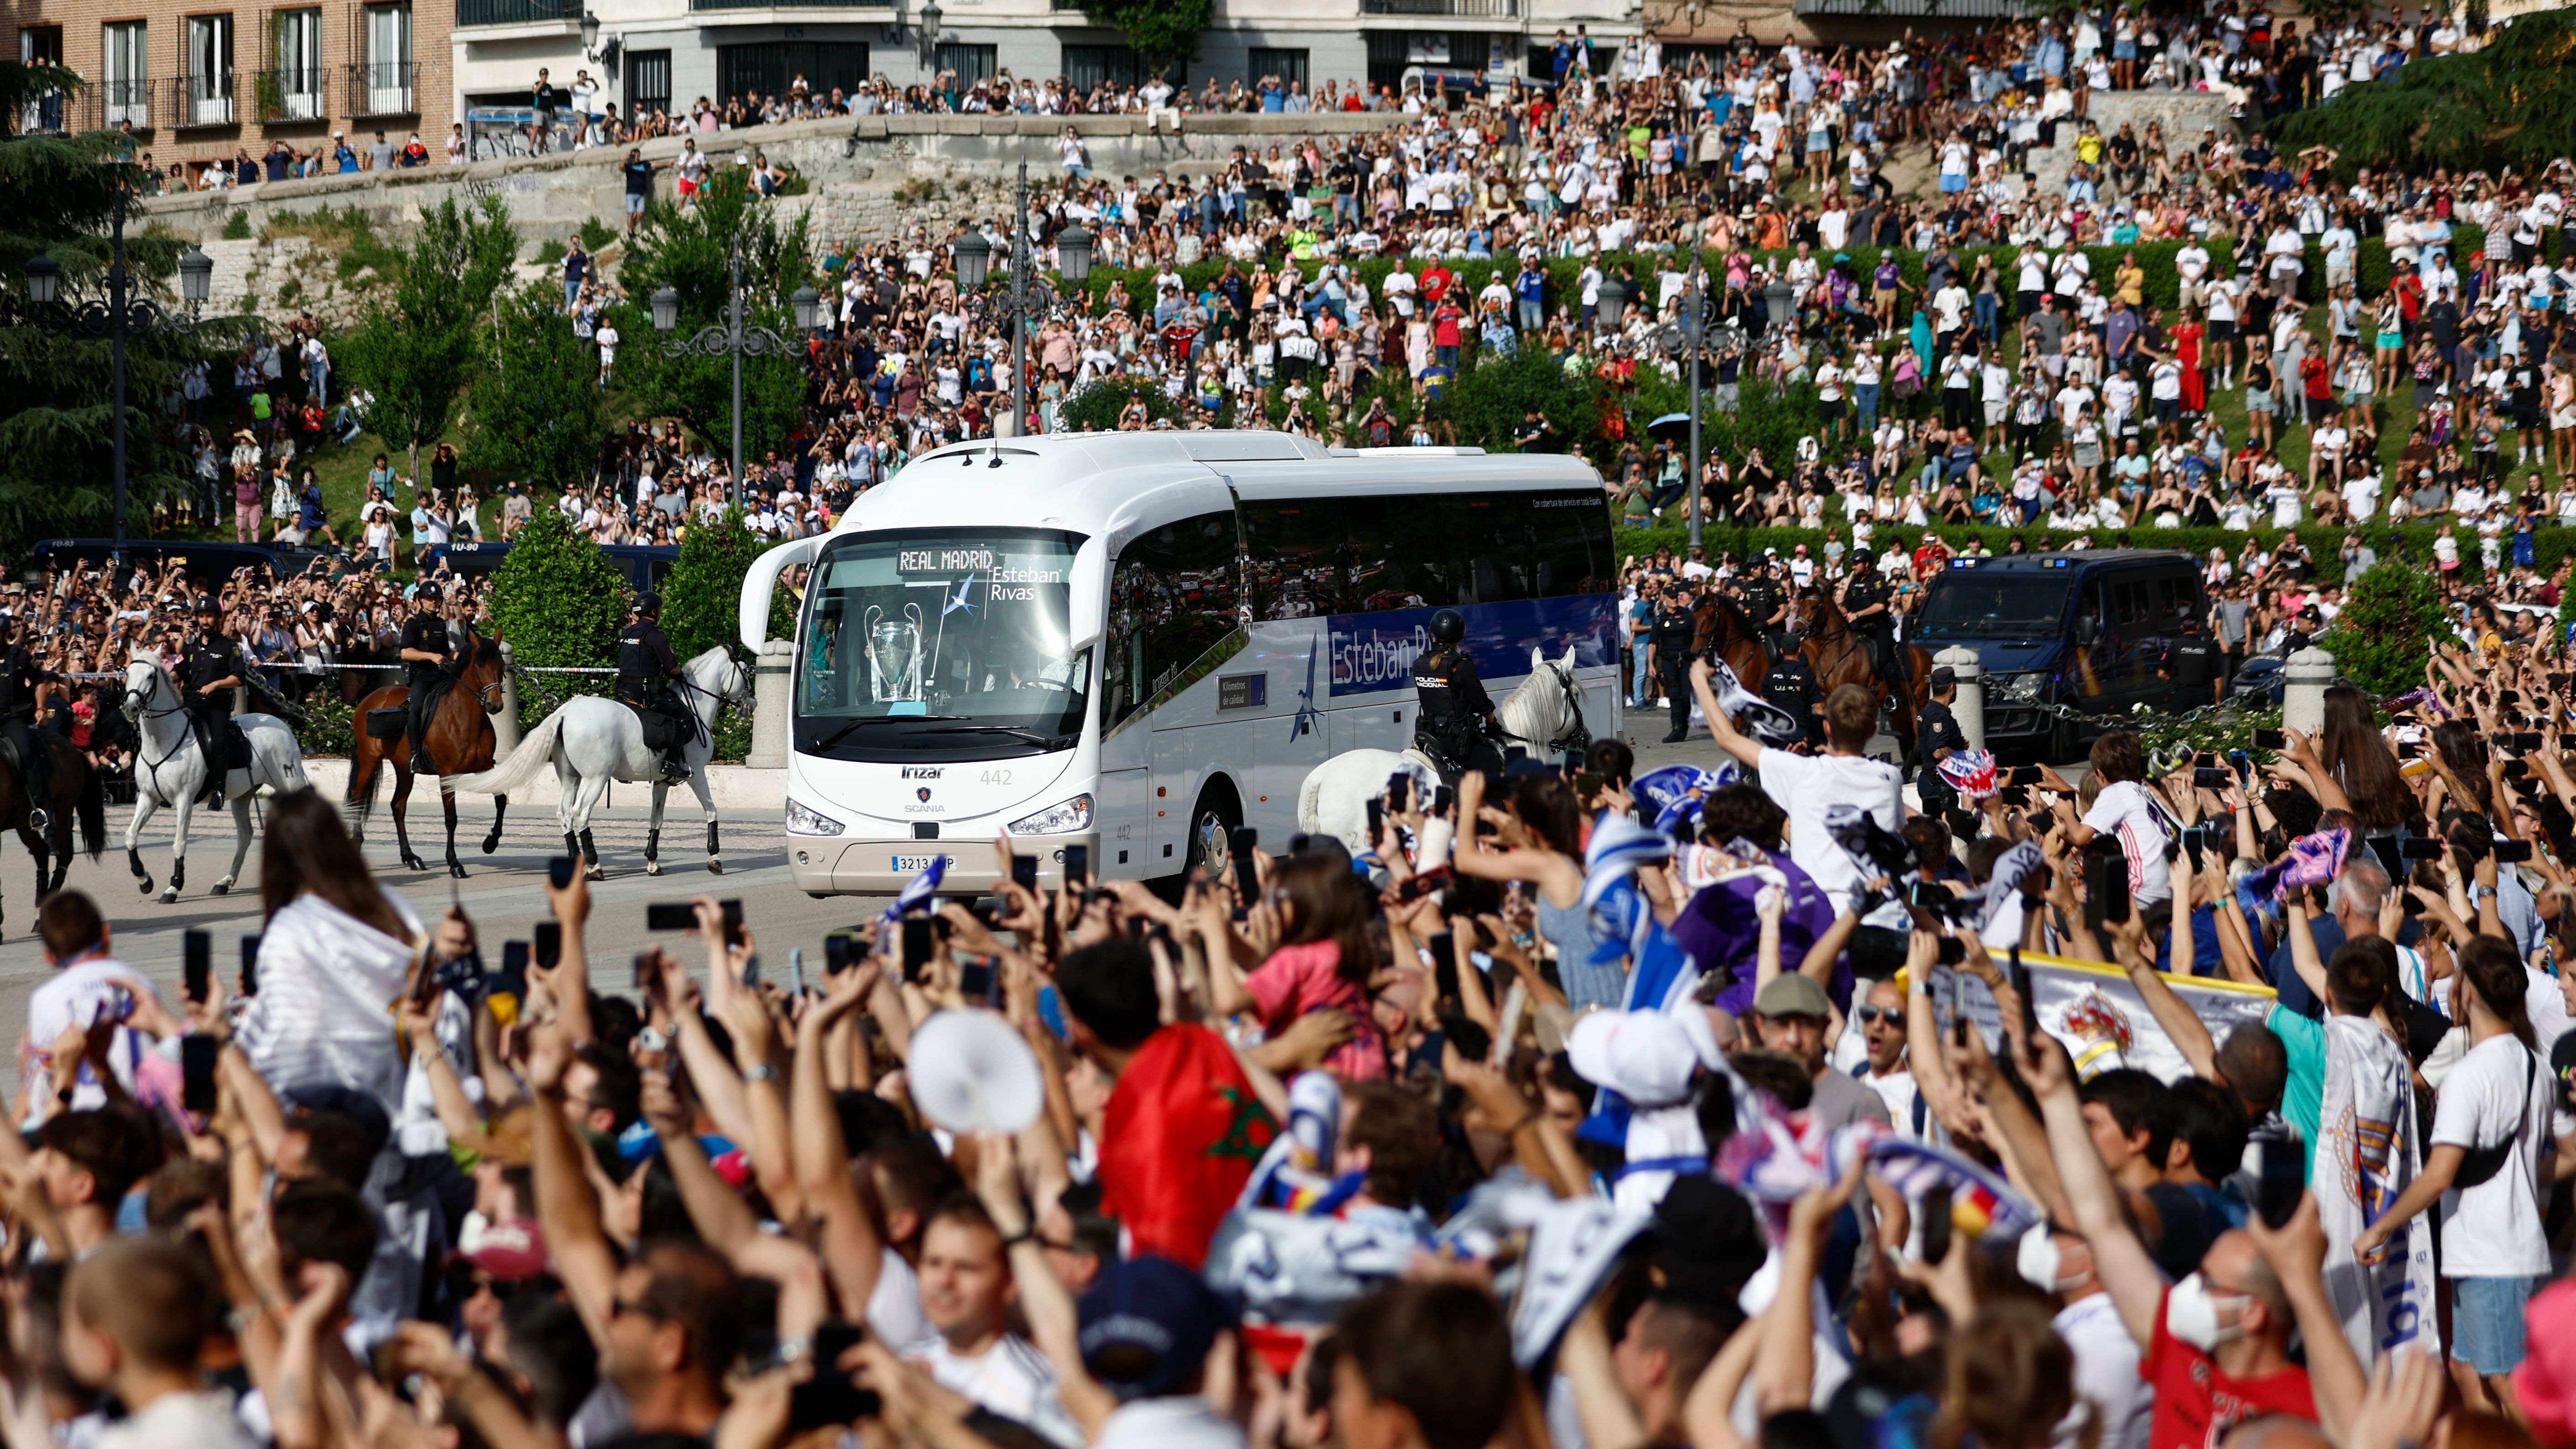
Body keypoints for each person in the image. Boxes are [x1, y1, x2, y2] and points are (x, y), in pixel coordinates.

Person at [1409, 607, 1499, 780]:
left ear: (1432, 635)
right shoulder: (1462, 666)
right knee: (1499, 773)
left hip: (1428, 736)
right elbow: (1481, 703)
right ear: (1460, 637)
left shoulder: (1419, 664)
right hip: (1457, 742)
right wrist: (1493, 723)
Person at [615, 590, 689, 783]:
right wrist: (680, 675)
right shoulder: (655, 635)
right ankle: (671, 763)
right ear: (654, 612)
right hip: (646, 690)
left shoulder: (626, 633)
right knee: (685, 718)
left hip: (623, 688)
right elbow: (672, 668)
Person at [179, 598, 244, 809]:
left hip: (217, 704)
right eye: (201, 616)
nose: (205, 620)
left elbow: (238, 677)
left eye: (209, 616)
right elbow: (177, 671)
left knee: (219, 741)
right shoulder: (191, 647)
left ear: (217, 618)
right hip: (192, 703)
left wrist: (216, 684)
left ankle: (219, 790)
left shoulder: (228, 645)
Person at [0, 611, 60, 834]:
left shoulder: (21, 656)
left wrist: (42, 708)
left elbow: (39, 682)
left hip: (10, 718)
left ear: (5, 634)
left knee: (25, 752)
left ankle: (38, 808)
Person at [397, 586, 456, 777]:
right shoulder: (413, 624)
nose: (434, 602)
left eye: (437, 599)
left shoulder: (440, 623)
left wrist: (467, 656)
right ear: (420, 601)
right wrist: (431, 656)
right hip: (423, 676)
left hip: (443, 674)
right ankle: (415, 755)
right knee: (415, 708)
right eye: (429, 598)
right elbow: (405, 652)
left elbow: (447, 652)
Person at [1915, 665, 1967, 815]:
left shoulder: (1928, 711)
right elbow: (1938, 752)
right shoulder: (1940, 715)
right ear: (1952, 688)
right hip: (1940, 786)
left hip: (1929, 780)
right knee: (1948, 832)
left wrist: (1957, 744)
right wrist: (1959, 754)